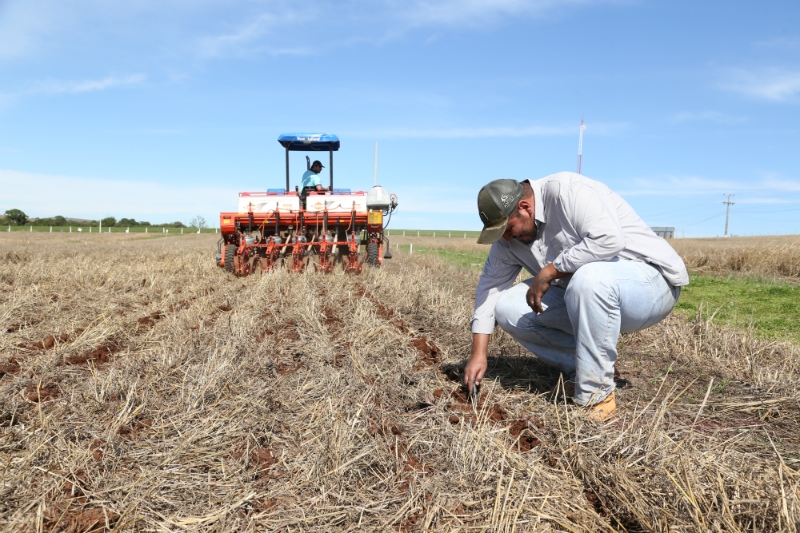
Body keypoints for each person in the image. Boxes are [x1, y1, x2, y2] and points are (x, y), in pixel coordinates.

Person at [464, 172, 689, 422]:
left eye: (507, 229)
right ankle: (586, 368)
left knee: (589, 278)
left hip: (650, 284)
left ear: (525, 208)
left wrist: (549, 271)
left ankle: (596, 397)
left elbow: (609, 240)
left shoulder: (568, 191)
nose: (506, 238)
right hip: (587, 293)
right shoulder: (508, 241)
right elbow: (489, 290)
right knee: (507, 307)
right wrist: (478, 354)